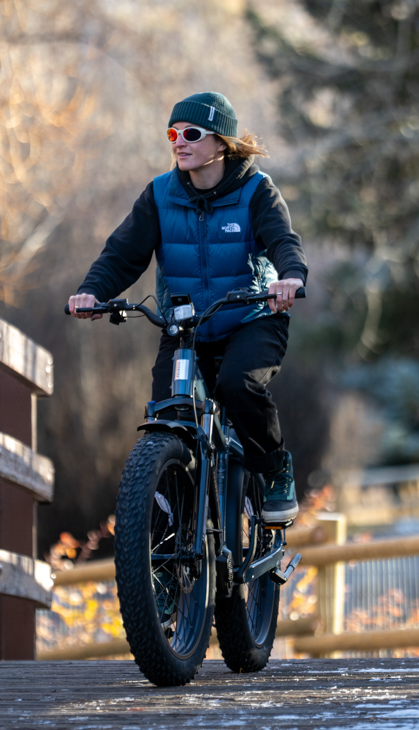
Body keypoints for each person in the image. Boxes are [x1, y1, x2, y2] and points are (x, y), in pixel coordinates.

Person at [68, 91, 306, 523]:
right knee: (170, 410)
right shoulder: (160, 194)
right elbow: (122, 255)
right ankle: (177, 523)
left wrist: (290, 277)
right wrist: (91, 291)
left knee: (237, 384)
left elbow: (282, 241)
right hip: (186, 329)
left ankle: (274, 470)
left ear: (222, 142)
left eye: (191, 134)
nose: (179, 142)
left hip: (252, 317)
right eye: (173, 134)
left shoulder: (256, 190)